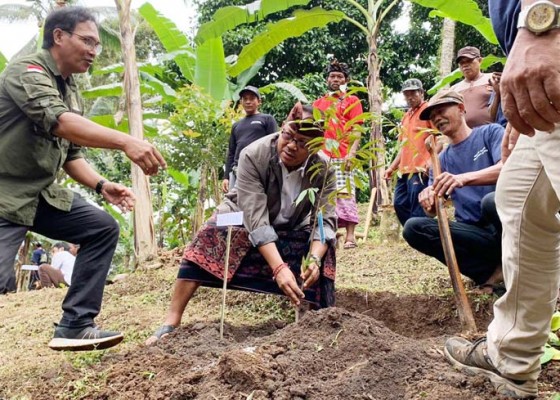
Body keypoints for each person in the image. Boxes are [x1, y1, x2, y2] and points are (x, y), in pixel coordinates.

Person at [0, 7, 166, 351]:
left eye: (96, 43)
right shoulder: (26, 71)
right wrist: (126, 141)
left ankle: (75, 325)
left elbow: (71, 153)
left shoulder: (71, 89)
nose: (94, 49)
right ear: (59, 36)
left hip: (37, 194)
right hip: (3, 194)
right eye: (87, 40)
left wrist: (102, 186)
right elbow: (59, 122)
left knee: (101, 228)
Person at [443, 1, 560, 398]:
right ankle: (513, 357)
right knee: (519, 199)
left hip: (551, 44)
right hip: (540, 72)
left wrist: (542, 24)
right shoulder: (444, 151)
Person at [146, 103, 337, 345]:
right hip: (240, 216)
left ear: (315, 147)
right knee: (209, 234)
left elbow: (325, 220)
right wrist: (279, 269)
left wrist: (315, 259)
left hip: (290, 225)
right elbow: (255, 219)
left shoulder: (323, 169)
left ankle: (318, 319)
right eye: (288, 136)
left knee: (325, 248)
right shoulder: (253, 154)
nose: (290, 146)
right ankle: (171, 321)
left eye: (301, 143)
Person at [402, 90, 505, 294]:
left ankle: (517, 267)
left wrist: (463, 178)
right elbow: (434, 209)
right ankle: (490, 275)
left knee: (490, 201)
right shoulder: (441, 161)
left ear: (460, 108)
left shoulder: (490, 133)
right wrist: (430, 202)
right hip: (476, 235)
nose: (437, 119)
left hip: (506, 227)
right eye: (432, 118)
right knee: (413, 228)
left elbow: (507, 168)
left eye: (441, 111)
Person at [313, 59, 363, 249]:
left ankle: (350, 236)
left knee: (346, 193)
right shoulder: (319, 103)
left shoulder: (352, 100)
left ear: (346, 80)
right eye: (332, 76)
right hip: (323, 155)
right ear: (327, 79)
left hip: (343, 154)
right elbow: (314, 130)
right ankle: (329, 234)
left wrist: (352, 152)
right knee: (324, 196)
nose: (335, 79)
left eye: (339, 76)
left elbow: (357, 128)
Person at [384, 78, 435, 226]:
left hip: (420, 168)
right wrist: (391, 168)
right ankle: (415, 233)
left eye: (413, 93)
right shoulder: (406, 116)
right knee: (399, 203)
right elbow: (403, 146)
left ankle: (422, 233)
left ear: (421, 93)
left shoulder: (428, 111)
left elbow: (439, 138)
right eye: (407, 94)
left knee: (417, 204)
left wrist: (431, 161)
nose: (410, 97)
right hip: (404, 170)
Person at [222, 86, 278, 193]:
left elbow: (274, 145)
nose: (248, 102)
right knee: (236, 202)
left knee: (256, 200)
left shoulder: (267, 119)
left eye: (252, 98)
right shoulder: (236, 125)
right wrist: (226, 177)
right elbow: (231, 153)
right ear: (241, 102)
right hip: (237, 170)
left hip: (259, 168)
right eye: (245, 99)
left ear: (259, 101)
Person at [450, 46, 494, 128]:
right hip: (466, 136)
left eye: (469, 61)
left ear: (480, 61)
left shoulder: (493, 79)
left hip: (493, 133)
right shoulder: (454, 89)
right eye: (461, 63)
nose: (465, 65)